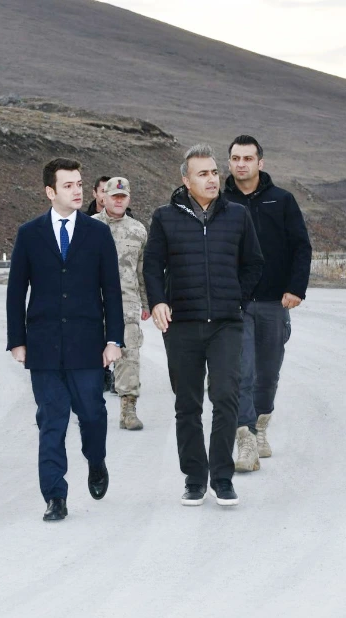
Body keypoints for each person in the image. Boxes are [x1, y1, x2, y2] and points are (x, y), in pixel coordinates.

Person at [143, 143, 264, 507]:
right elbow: (152, 265)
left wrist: (235, 299)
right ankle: (195, 478)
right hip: (181, 325)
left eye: (214, 172)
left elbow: (253, 263)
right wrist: (159, 300)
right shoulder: (165, 217)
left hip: (226, 324)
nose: (212, 179)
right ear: (186, 179)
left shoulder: (238, 215)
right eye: (203, 174)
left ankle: (222, 477)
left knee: (226, 395)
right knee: (188, 402)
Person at [6, 157, 124, 522]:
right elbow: (16, 291)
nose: (77, 190)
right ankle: (55, 496)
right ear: (50, 192)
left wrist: (113, 339)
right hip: (42, 346)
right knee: (51, 421)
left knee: (92, 414)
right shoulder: (30, 234)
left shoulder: (97, 233)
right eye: (68, 185)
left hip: (87, 344)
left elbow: (112, 292)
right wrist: (17, 340)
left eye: (79, 184)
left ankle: (96, 460)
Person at [223, 135, 313, 472]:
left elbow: (301, 247)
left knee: (268, 371)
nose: (241, 164)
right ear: (229, 162)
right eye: (235, 158)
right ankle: (244, 436)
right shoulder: (220, 201)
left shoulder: (282, 200)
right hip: (235, 302)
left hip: (276, 300)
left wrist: (296, 288)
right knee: (241, 369)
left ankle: (261, 427)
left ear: (260, 162)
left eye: (248, 158)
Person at [93, 177, 150, 430]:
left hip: (127, 303)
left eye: (122, 196)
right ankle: (89, 407)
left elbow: (142, 271)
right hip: (92, 303)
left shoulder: (138, 230)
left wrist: (148, 302)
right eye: (113, 196)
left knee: (129, 355)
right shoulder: (87, 227)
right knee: (89, 355)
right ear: (102, 197)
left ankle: (128, 410)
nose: (118, 200)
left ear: (128, 199)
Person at [83, 176, 117, 393]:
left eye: (109, 190)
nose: (106, 195)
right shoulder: (84, 220)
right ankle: (101, 372)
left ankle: (119, 377)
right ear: (95, 193)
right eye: (102, 191)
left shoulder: (128, 219)